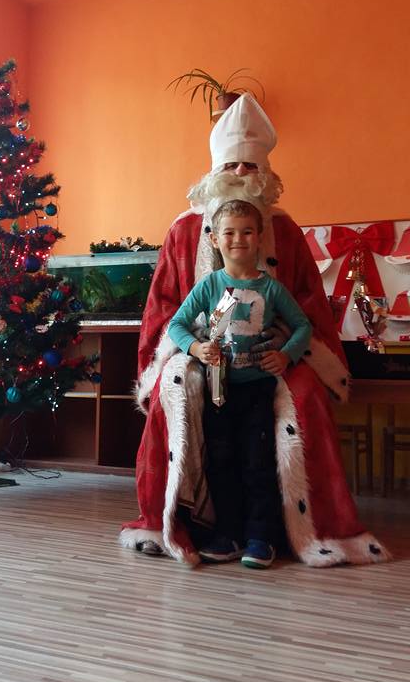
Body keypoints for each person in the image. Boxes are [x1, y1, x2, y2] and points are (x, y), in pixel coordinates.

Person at [120, 93, 389, 567]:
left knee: (304, 396)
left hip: (270, 354)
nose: (242, 172)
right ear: (215, 171)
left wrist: (285, 347)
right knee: (174, 391)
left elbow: (307, 302)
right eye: (233, 164)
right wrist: (191, 349)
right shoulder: (183, 230)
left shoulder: (284, 229)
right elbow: (165, 305)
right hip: (200, 351)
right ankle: (186, 522)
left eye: (251, 164)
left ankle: (293, 526)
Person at [168, 197, 312, 568]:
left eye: (247, 232)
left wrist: (286, 355)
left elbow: (302, 326)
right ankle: (228, 535)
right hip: (219, 392)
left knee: (257, 463)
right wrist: (197, 348)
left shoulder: (272, 289)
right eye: (229, 233)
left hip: (257, 391)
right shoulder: (209, 286)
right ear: (214, 239)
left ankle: (261, 537)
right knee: (221, 462)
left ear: (260, 238)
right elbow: (177, 325)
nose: (238, 239)